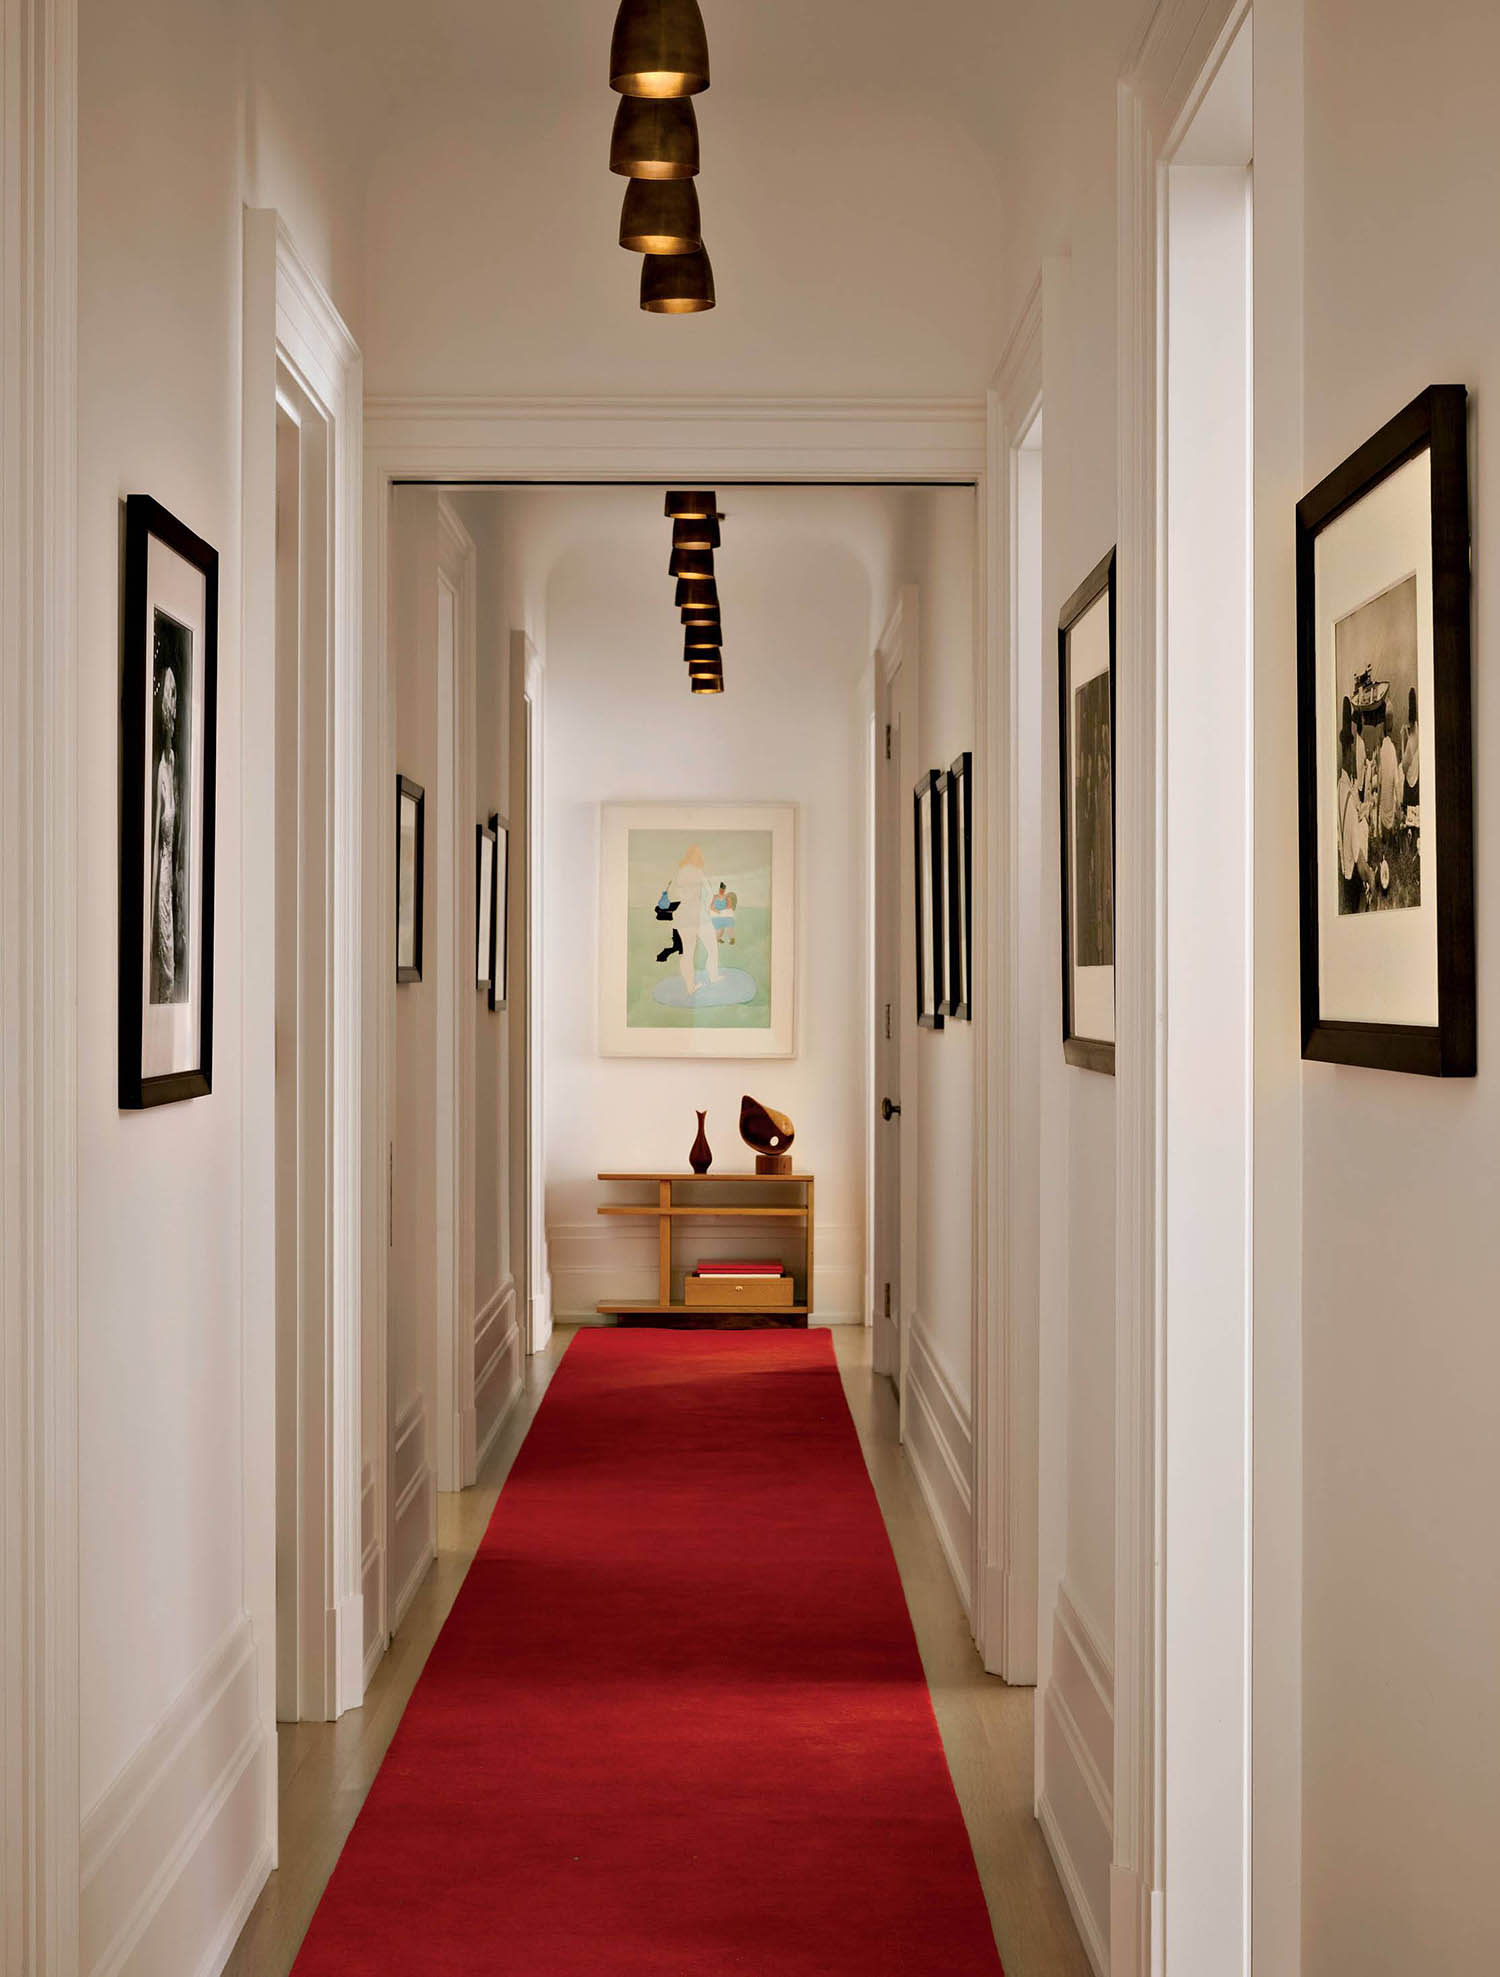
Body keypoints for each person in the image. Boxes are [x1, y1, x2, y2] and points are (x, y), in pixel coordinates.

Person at [151, 664, 179, 1002]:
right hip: (162, 879)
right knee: (165, 967)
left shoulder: (172, 761)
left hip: (172, 879)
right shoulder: (161, 767)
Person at [1336, 727, 1372, 913]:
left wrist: (1363, 810)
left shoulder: (1342, 786)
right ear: (1349, 751)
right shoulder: (1347, 799)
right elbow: (1360, 863)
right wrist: (1371, 876)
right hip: (1353, 875)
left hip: (1347, 863)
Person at [1377, 704, 1400, 839]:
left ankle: (1385, 840)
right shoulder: (1391, 748)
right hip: (1390, 794)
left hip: (1384, 793)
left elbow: (1380, 777)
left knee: (1385, 810)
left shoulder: (1382, 749)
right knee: (1389, 809)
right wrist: (1398, 800)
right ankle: (1390, 840)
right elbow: (1396, 779)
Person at [1401, 686, 1420, 817]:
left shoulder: (1409, 743)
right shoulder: (1418, 730)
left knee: (1409, 816)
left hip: (1410, 785)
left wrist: (1403, 739)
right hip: (1417, 779)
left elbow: (1403, 767)